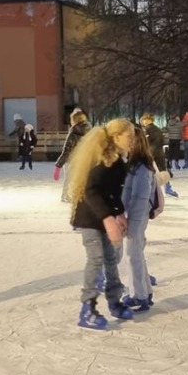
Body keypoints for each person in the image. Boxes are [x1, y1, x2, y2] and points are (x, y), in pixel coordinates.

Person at [67, 118, 136, 329]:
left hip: (103, 216)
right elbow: (90, 191)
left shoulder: (118, 162)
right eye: (129, 136)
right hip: (89, 217)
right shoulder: (102, 162)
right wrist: (108, 219)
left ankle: (114, 301)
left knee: (110, 259)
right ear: (116, 137)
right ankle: (87, 308)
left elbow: (113, 193)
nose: (133, 140)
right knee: (96, 258)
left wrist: (119, 214)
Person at [121, 125, 163, 311]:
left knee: (133, 255)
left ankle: (139, 295)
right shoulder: (137, 164)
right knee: (136, 253)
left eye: (129, 139)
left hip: (137, 215)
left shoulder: (141, 167)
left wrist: (131, 220)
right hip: (135, 214)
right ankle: (145, 292)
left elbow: (140, 196)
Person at [54, 108, 90, 202]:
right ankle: (82, 196)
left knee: (69, 179)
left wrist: (58, 165)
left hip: (72, 161)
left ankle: (66, 196)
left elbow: (67, 151)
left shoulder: (73, 133)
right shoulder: (91, 133)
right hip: (85, 160)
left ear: (74, 120)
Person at [140, 112, 178, 198]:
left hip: (151, 153)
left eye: (143, 121)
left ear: (147, 120)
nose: (143, 123)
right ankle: (168, 188)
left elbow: (145, 142)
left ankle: (148, 190)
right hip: (159, 152)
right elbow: (161, 141)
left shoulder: (147, 130)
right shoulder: (157, 129)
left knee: (148, 171)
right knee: (162, 170)